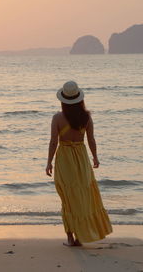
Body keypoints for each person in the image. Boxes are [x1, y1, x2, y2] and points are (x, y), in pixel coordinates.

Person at [46, 81, 112, 246]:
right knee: (83, 195)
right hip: (81, 158)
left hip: (65, 158)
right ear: (79, 99)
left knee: (67, 197)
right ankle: (82, 235)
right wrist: (95, 157)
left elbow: (54, 142)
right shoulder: (86, 117)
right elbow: (91, 140)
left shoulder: (57, 118)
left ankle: (70, 237)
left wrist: (49, 163)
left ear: (63, 100)